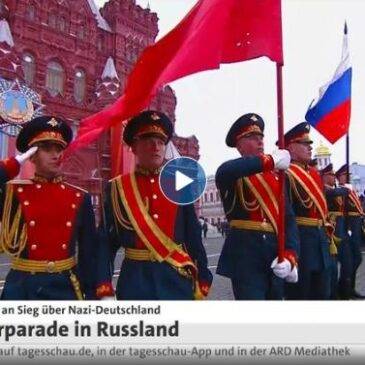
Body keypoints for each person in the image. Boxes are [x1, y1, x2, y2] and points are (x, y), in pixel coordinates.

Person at [99, 110, 213, 300]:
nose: (156, 147)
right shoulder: (117, 188)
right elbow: (106, 243)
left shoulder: (177, 184)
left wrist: (202, 275)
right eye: (148, 141)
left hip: (175, 280)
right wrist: (103, 286)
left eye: (161, 142)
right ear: (134, 147)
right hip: (135, 283)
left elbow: (193, 235)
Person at [0, 115, 111, 300]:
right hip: (22, 287)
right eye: (46, 148)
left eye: (59, 148)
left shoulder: (79, 197)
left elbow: (88, 253)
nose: (55, 154)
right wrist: (13, 164)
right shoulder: (14, 192)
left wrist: (92, 297)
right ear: (32, 155)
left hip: (64, 287)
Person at [215, 113, 299, 300]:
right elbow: (226, 170)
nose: (260, 142)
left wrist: (291, 255)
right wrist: (269, 161)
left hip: (275, 255)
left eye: (261, 137)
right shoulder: (232, 173)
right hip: (246, 257)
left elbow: (288, 220)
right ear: (239, 145)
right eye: (252, 138)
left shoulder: (278, 176)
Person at [284, 122, 332, 300]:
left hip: (320, 241)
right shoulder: (286, 174)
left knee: (322, 294)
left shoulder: (313, 174)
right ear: (291, 148)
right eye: (304, 144)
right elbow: (286, 214)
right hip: (301, 243)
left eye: (310, 144)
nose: (310, 148)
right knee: (301, 296)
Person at [320, 163, 351, 299]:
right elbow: (334, 193)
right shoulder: (324, 189)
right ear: (324, 176)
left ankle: (344, 290)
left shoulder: (335, 189)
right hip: (331, 230)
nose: (334, 178)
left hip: (340, 229)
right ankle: (333, 295)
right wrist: (346, 189)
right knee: (332, 268)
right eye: (331, 175)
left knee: (349, 262)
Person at [336, 164, 365, 299]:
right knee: (351, 259)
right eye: (345, 175)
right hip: (349, 226)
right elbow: (342, 211)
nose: (348, 178)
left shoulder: (350, 191)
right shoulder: (341, 192)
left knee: (357, 258)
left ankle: (350, 287)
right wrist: (347, 228)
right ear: (339, 177)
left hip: (356, 225)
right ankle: (345, 287)